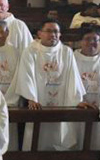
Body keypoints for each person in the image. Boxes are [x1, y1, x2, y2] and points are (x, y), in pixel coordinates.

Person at [11, 19, 84, 152]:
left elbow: (73, 76)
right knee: (37, 135)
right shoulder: (31, 51)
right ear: (40, 33)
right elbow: (26, 74)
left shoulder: (66, 52)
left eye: (56, 31)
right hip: (38, 102)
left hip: (61, 102)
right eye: (49, 31)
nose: (53, 35)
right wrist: (31, 97)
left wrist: (75, 99)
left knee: (58, 132)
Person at [73, 25, 100, 150]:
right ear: (80, 41)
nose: (91, 42)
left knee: (98, 143)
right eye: (87, 39)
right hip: (77, 109)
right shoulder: (72, 59)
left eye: (95, 39)